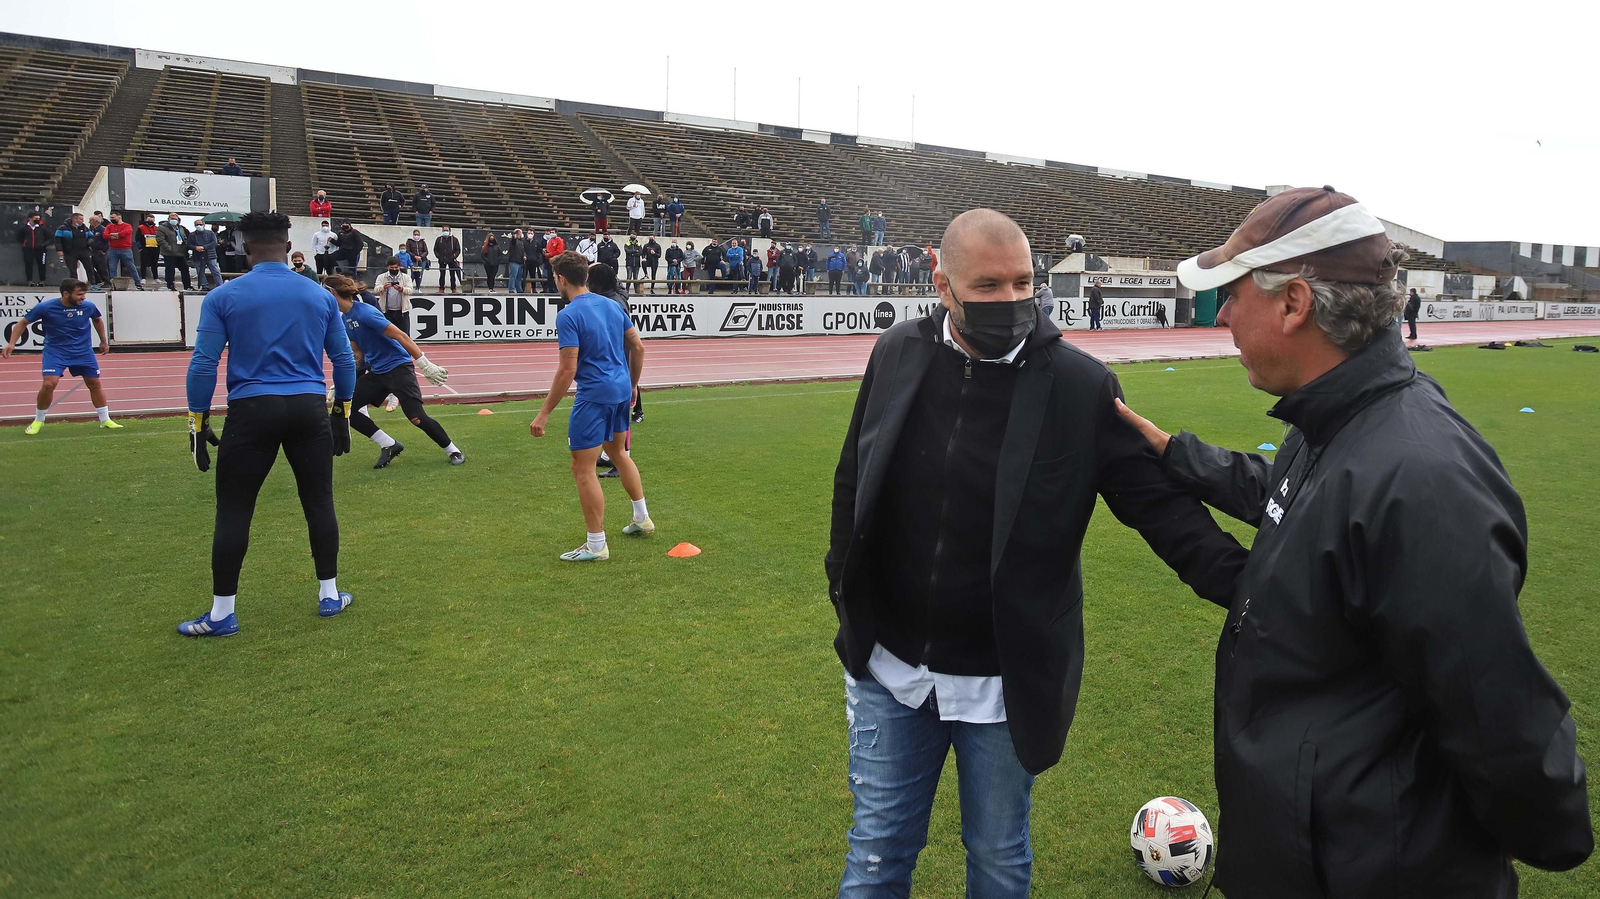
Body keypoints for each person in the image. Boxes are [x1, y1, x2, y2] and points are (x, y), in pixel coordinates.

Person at [1112, 186, 1593, 898]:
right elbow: (1294, 501)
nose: (1225, 317)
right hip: (1309, 851)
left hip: (1370, 867)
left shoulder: (1421, 476)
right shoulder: (1333, 421)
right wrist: (1177, 454)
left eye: (1232, 294)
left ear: (1294, 302)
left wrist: (1537, 836)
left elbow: (1501, 717)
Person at [826, 209, 1247, 897]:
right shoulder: (898, 351)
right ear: (942, 285)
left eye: (1023, 281)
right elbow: (855, 477)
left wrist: (1258, 588)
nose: (1011, 300)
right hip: (891, 669)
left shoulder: (1078, 385)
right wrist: (844, 589)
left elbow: (1164, 514)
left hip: (1002, 681)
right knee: (876, 851)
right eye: (988, 286)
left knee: (997, 858)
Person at [178, 211, 357, 638]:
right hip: (307, 407)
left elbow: (203, 363)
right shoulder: (320, 296)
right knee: (318, 502)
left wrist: (197, 422)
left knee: (235, 509)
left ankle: (223, 614)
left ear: (243, 245)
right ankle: (329, 594)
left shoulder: (224, 295)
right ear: (286, 240)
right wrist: (342, 414)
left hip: (251, 410)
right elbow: (344, 360)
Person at [528, 252, 655, 561]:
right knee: (618, 453)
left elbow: (567, 369)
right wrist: (633, 384)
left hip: (594, 395)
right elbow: (638, 346)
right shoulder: (612, 305)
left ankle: (596, 545)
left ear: (561, 279)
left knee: (582, 468)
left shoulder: (569, 314)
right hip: (620, 390)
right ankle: (642, 518)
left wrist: (543, 413)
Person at [322, 274, 459, 469]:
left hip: (398, 368)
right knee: (346, 409)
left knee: (416, 417)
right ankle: (389, 444)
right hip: (378, 373)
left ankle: (453, 450)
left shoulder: (366, 313)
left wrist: (424, 364)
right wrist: (343, 381)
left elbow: (401, 336)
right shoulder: (345, 319)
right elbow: (358, 355)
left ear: (332, 294)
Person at [3, 278, 123, 434]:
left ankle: (105, 419)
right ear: (66, 294)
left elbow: (97, 319)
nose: (84, 298)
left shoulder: (88, 306)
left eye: (84, 294)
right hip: (56, 351)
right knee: (49, 384)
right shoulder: (45, 307)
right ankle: (38, 420)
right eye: (80, 294)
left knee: (94, 382)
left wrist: (103, 341)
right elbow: (22, 323)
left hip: (83, 352)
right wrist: (12, 343)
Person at [586, 263, 645, 426]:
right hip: (622, 344)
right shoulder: (619, 293)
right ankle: (633, 410)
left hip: (618, 345)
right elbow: (616, 282)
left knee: (625, 378)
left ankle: (632, 410)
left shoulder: (610, 303)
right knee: (627, 376)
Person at [101, 211, 142, 289]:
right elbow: (105, 235)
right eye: (111, 218)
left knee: (132, 267)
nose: (112, 219)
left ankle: (138, 284)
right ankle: (114, 285)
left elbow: (124, 234)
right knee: (112, 268)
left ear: (119, 217)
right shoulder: (109, 226)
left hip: (125, 249)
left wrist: (113, 235)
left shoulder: (127, 226)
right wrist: (116, 235)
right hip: (113, 249)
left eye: (113, 217)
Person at [54, 213, 94, 286]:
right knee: (73, 270)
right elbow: (57, 240)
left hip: (84, 251)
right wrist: (59, 250)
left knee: (89, 268)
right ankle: (75, 285)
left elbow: (91, 236)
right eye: (81, 219)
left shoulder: (84, 228)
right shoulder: (62, 228)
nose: (83, 221)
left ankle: (92, 283)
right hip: (70, 252)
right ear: (75, 219)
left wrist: (89, 242)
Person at [16, 212, 52, 287]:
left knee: (42, 264)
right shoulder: (24, 227)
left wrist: (43, 245)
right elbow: (19, 237)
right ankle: (29, 281)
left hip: (41, 250)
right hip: (28, 249)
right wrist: (25, 243)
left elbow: (49, 238)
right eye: (36, 219)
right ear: (30, 218)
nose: (37, 220)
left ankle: (42, 280)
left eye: (38, 219)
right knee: (28, 264)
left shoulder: (42, 227)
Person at [157, 214, 192, 290]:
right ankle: (170, 285)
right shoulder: (162, 228)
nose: (174, 220)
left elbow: (185, 238)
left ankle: (187, 286)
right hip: (169, 253)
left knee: (185, 269)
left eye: (175, 219)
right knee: (170, 270)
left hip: (180, 252)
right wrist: (169, 248)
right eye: (172, 218)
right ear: (168, 219)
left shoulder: (180, 228)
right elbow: (160, 240)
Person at [190, 219, 222, 290]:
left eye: (200, 224)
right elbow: (189, 244)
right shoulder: (192, 235)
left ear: (204, 225)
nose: (199, 226)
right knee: (200, 272)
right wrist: (195, 248)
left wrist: (204, 247)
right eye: (197, 224)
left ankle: (220, 285)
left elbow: (214, 243)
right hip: (198, 256)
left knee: (215, 271)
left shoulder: (210, 233)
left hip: (210, 255)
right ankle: (204, 286)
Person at [434, 226, 461, 292]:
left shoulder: (454, 239)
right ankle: (441, 288)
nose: (445, 232)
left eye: (447, 230)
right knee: (442, 275)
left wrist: (455, 255)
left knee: (452, 275)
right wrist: (438, 256)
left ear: (450, 231)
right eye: (444, 230)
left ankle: (453, 288)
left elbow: (458, 249)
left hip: (452, 259)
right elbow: (435, 249)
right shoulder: (439, 239)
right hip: (442, 259)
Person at [137, 214, 161, 282]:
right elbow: (137, 239)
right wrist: (140, 248)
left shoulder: (157, 228)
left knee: (155, 264)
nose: (150, 221)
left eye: (152, 219)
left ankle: (155, 278)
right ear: (146, 219)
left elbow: (159, 238)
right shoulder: (141, 227)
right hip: (145, 248)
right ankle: (143, 278)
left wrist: (159, 247)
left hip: (155, 248)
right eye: (149, 219)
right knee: (144, 263)